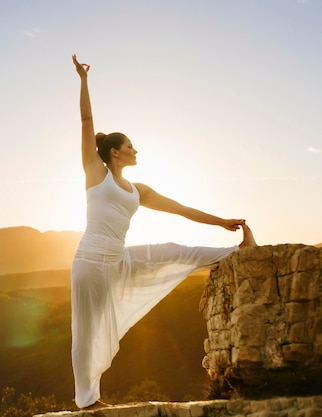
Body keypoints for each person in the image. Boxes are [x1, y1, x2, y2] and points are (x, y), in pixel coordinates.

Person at [70, 54, 257, 411]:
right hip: (91, 261)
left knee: (174, 249)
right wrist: (83, 79)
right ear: (114, 152)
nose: (135, 150)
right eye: (130, 146)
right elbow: (86, 119)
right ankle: (87, 400)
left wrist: (220, 220)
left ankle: (235, 251)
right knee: (88, 333)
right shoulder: (96, 173)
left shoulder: (137, 189)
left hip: (119, 258)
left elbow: (181, 209)